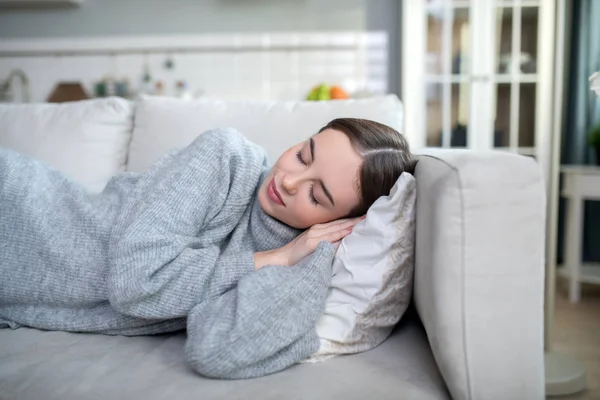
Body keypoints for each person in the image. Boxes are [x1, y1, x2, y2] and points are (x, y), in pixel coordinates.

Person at [0, 118, 416, 379]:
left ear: (337, 223)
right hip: (22, 209)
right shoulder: (227, 158)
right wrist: (271, 259)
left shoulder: (302, 257)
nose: (289, 180)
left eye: (317, 195)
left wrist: (298, 261)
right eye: (303, 154)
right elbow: (134, 280)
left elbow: (216, 348)